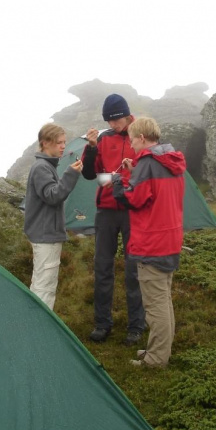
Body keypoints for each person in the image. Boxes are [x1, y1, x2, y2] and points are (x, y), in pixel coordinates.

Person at [111, 117, 185, 367]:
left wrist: (118, 183)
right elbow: (156, 193)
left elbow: (135, 199)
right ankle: (160, 350)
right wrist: (136, 173)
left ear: (142, 138)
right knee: (163, 299)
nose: (131, 145)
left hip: (152, 243)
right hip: (170, 240)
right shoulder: (171, 160)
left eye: (132, 139)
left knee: (155, 305)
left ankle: (155, 359)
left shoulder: (147, 163)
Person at [81, 93, 145, 345]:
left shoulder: (140, 135)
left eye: (116, 121)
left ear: (128, 116)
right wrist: (92, 147)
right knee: (103, 267)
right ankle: (102, 323)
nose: (112, 126)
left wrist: (120, 180)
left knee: (133, 270)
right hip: (106, 210)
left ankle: (136, 325)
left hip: (132, 210)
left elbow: (148, 171)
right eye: (108, 122)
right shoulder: (104, 139)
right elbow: (90, 174)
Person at [24, 123, 83, 310]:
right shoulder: (42, 167)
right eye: (59, 143)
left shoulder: (46, 166)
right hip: (45, 235)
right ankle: (39, 330)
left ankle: (34, 324)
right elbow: (53, 195)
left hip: (47, 234)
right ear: (45, 143)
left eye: (64, 142)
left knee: (41, 282)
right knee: (45, 287)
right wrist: (71, 174)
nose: (63, 146)